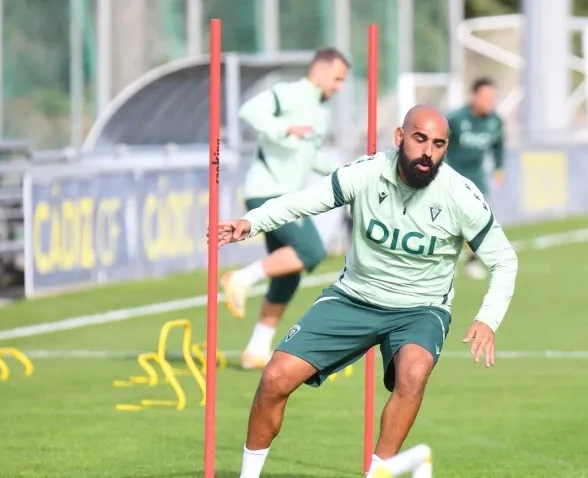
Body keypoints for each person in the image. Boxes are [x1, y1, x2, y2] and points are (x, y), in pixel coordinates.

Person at [214, 105, 519, 478]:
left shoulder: (460, 195)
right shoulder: (367, 172)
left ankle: (377, 473)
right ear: (400, 137)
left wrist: (488, 319)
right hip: (353, 298)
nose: (427, 152)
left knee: (414, 371)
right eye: (420, 139)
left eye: (438, 144)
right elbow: (302, 201)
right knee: (275, 378)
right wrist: (251, 222)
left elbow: (505, 260)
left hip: (420, 309)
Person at [219, 47, 350, 370]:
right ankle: (240, 279)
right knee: (311, 251)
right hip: (267, 194)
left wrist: (347, 173)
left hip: (289, 198)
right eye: (337, 78)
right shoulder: (290, 94)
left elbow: (312, 157)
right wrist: (283, 129)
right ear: (319, 72)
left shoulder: (321, 112)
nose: (340, 87)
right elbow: (249, 110)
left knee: (287, 277)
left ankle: (256, 350)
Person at [445, 77, 506, 280]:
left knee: (477, 220)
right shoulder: (456, 119)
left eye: (493, 98)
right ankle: (442, 261)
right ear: (474, 97)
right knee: (448, 222)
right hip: (451, 176)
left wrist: (499, 167)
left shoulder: (495, 121)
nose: (490, 102)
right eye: (486, 97)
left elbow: (498, 145)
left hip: (476, 179)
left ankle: (472, 261)